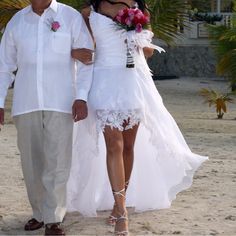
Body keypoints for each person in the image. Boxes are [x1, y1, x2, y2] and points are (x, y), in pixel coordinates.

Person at [67, 0, 208, 235]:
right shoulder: (89, 12)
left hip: (133, 80)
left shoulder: (139, 9)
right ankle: (122, 211)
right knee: (114, 144)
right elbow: (82, 45)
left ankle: (117, 202)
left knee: (128, 147)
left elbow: (149, 51)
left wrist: (136, 37)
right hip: (103, 80)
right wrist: (73, 54)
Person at [0, 0, 94, 235]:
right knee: (31, 163)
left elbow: (87, 60)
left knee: (57, 161)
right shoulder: (17, 21)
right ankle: (39, 214)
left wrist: (81, 96)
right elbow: (4, 66)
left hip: (61, 100)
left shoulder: (70, 16)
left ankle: (53, 219)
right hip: (26, 101)